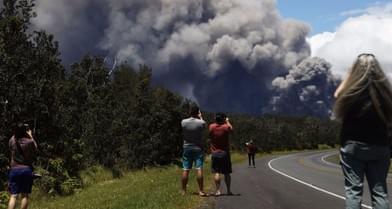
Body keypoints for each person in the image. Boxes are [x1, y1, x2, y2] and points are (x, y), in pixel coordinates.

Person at [334, 53, 392, 209]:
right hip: (380, 148)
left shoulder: (351, 95)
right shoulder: (386, 95)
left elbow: (337, 94)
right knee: (380, 193)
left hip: (353, 148)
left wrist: (350, 74)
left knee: (353, 192)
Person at [8, 123, 38, 209]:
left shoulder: (12, 140)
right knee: (24, 195)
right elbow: (35, 148)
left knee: (13, 196)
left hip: (14, 169)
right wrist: (30, 135)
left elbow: (10, 150)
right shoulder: (29, 141)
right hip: (26, 169)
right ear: (25, 131)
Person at [181, 104, 207, 196]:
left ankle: (183, 191)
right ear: (197, 113)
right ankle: (200, 190)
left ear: (189, 112)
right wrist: (200, 117)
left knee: (185, 169)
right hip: (198, 147)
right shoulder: (201, 122)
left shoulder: (183, 122)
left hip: (187, 147)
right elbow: (204, 125)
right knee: (199, 169)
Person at [209, 112, 233, 196]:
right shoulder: (226, 127)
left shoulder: (211, 127)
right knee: (227, 173)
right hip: (225, 153)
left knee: (217, 172)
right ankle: (228, 191)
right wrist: (227, 121)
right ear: (223, 119)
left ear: (215, 119)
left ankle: (218, 190)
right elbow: (231, 129)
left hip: (215, 153)